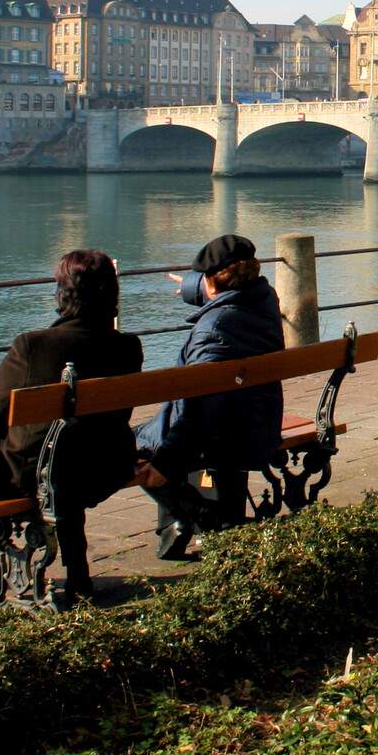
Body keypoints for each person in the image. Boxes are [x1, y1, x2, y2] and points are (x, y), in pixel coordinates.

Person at [0, 249, 142, 603]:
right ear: (112, 294)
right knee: (72, 452)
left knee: (38, 455)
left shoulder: (33, 346)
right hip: (107, 465)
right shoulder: (128, 346)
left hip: (40, 475)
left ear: (62, 294)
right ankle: (79, 574)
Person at [135, 234, 286, 560]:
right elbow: (225, 294)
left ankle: (203, 521)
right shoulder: (264, 302)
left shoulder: (214, 327)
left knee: (136, 448)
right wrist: (197, 286)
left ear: (212, 284)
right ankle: (177, 524)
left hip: (222, 435)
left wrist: (166, 462)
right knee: (170, 439)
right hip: (258, 421)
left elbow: (200, 412)